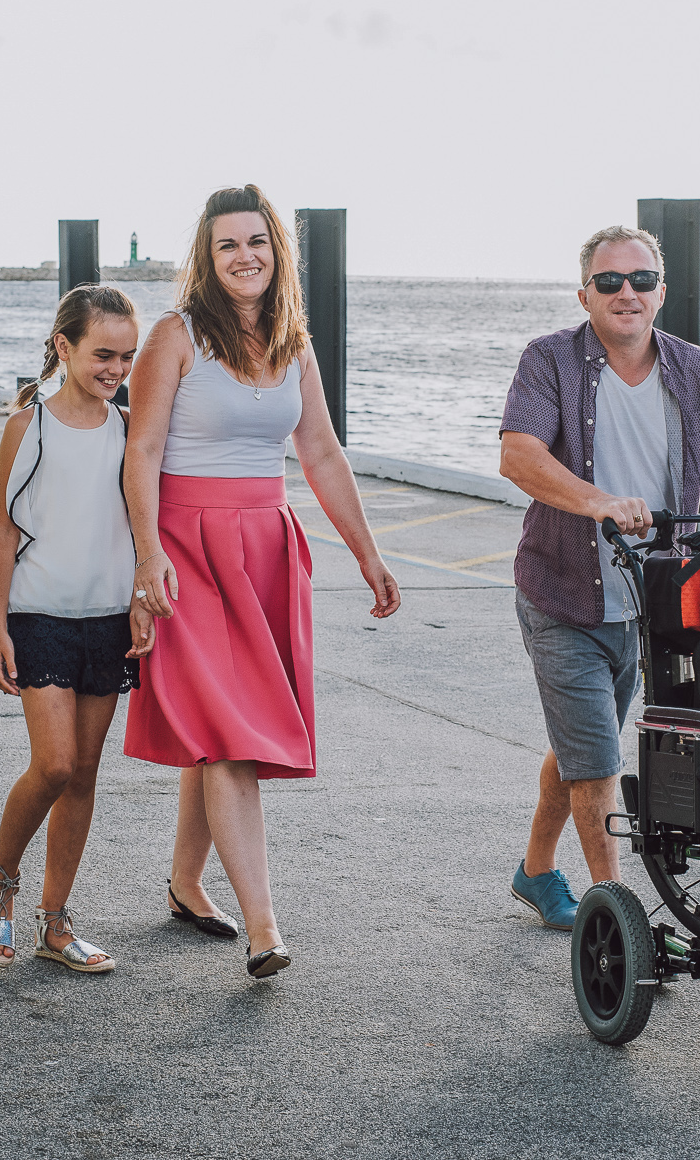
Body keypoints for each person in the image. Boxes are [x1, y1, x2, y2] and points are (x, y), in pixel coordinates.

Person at [125, 184, 401, 979]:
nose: (244, 257)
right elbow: (140, 452)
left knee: (218, 735)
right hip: (186, 545)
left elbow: (321, 455)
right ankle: (264, 925)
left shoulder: (296, 342)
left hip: (264, 547)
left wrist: (368, 553)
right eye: (227, 245)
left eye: (257, 242)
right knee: (232, 736)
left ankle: (185, 882)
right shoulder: (173, 338)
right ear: (206, 260)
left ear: (277, 251)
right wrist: (148, 555)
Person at [498, 225, 700, 929]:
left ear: (661, 292)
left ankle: (537, 871)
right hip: (562, 595)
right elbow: (518, 456)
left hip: (650, 602)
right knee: (598, 761)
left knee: (587, 742)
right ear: (586, 295)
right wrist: (600, 502)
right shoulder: (549, 360)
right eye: (609, 282)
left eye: (640, 280)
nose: (626, 293)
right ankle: (620, 916)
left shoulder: (694, 369)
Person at [0, 284, 152, 975]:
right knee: (55, 765)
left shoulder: (131, 431)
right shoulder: (29, 427)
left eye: (127, 357)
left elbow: (144, 529)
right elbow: (2, 529)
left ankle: (57, 920)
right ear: (63, 347)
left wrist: (141, 597)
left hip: (108, 622)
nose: (115, 368)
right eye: (103, 353)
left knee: (84, 776)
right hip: (39, 615)